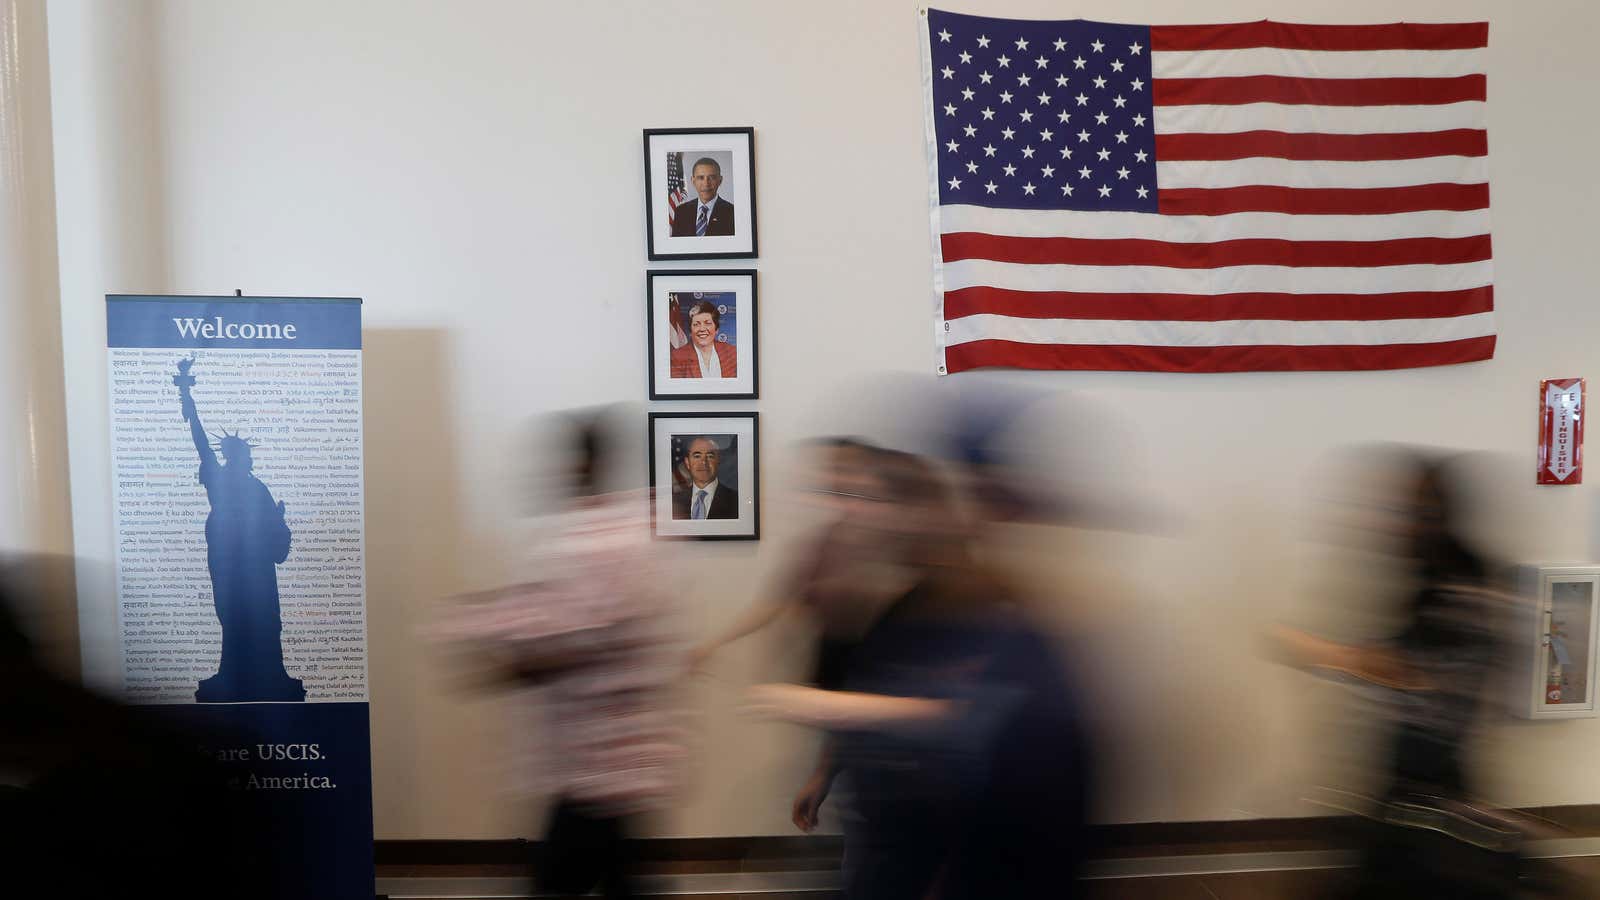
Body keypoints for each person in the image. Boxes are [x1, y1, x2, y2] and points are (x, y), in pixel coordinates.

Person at [744, 450, 1091, 900]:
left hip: (955, 824)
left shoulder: (972, 598)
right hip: (889, 814)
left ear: (913, 512)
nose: (850, 510)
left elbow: (968, 711)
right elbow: (868, 683)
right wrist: (825, 774)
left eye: (865, 497)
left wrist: (826, 705)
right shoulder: (892, 601)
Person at [431, 413, 685, 899]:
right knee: (618, 874)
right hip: (624, 757)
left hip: (594, 763)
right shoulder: (640, 533)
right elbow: (558, 616)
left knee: (564, 879)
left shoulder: (588, 543)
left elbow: (566, 638)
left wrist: (483, 641)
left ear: (580, 464)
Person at [174, 355, 304, 703]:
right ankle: (233, 671)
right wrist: (188, 398)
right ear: (235, 455)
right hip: (230, 557)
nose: (250, 458)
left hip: (256, 560)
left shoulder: (257, 486)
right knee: (234, 613)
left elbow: (273, 525)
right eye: (246, 453)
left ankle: (270, 671)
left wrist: (277, 520)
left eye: (249, 453)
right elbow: (200, 442)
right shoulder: (219, 477)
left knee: (264, 614)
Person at [671, 436, 739, 519]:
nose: (703, 462)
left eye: (710, 456)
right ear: (687, 462)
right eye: (697, 456)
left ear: (718, 460)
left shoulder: (737, 501)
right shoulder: (674, 502)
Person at [669, 300, 737, 379]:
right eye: (696, 324)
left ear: (716, 329)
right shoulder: (677, 356)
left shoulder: (732, 352)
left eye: (707, 323)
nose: (702, 329)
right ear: (690, 330)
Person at [669, 157, 735, 236]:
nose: (706, 184)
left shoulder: (732, 213)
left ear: (720, 181)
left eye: (711, 178)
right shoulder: (681, 212)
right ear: (693, 181)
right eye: (701, 178)